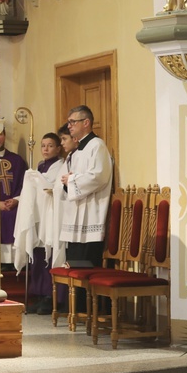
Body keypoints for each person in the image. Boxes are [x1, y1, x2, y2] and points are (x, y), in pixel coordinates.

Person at [58, 105, 113, 313]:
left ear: (86, 123)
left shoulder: (97, 146)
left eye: (73, 122)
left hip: (91, 215)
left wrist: (71, 180)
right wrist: (68, 182)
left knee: (89, 264)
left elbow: (98, 176)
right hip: (77, 215)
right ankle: (78, 310)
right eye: (69, 122)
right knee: (75, 263)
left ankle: (93, 311)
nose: (69, 126)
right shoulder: (78, 150)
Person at [12, 132, 65, 314]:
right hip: (38, 215)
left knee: (48, 256)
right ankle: (40, 295)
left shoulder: (60, 166)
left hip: (50, 214)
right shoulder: (41, 165)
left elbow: (52, 186)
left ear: (58, 148)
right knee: (38, 254)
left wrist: (37, 179)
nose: (46, 149)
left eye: (50, 145)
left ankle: (51, 297)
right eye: (43, 145)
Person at [0, 126, 27, 269]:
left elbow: (24, 184)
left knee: (16, 216)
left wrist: (16, 200)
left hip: (13, 205)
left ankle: (13, 262)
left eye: (1, 134)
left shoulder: (16, 160)